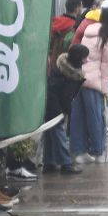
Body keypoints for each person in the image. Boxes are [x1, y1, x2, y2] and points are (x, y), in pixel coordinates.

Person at [71, 2, 108, 164]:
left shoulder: (88, 31)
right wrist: (105, 89)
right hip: (94, 82)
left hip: (79, 78)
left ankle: (80, 152)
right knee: (96, 117)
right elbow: (106, 66)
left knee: (79, 116)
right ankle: (99, 152)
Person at [42, 44, 89, 175]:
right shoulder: (68, 76)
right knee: (59, 134)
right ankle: (66, 163)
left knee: (50, 136)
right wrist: (61, 111)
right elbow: (63, 95)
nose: (87, 60)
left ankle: (49, 163)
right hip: (54, 109)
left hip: (53, 107)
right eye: (85, 57)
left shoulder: (64, 72)